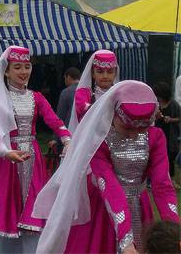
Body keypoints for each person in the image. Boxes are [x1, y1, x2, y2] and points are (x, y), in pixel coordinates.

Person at [34, 81, 180, 254]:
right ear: (114, 113)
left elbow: (162, 184)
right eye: (127, 128)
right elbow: (109, 185)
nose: (134, 135)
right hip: (104, 209)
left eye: (142, 129)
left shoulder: (156, 137)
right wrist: (126, 241)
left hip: (139, 206)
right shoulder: (98, 141)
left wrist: (174, 233)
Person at [0, 46, 71, 254]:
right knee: (9, 220)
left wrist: (66, 139)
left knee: (34, 220)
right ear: (7, 71)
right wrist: (5, 152)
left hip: (33, 160)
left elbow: (53, 119)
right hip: (8, 160)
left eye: (27, 66)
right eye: (17, 67)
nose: (23, 71)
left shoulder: (35, 97)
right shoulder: (0, 99)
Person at [69, 49, 119, 133]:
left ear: (115, 73)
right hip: (89, 142)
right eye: (100, 72)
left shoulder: (120, 94)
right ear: (93, 73)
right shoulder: (83, 94)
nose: (105, 76)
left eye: (110, 72)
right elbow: (86, 112)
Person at [153, 82, 181, 181]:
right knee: (157, 156)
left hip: (170, 135)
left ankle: (170, 178)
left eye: (159, 95)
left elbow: (179, 118)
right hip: (158, 134)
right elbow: (150, 119)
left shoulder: (174, 104)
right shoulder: (155, 103)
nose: (157, 97)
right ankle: (157, 177)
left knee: (169, 157)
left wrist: (171, 119)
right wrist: (156, 117)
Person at [50, 67, 80, 156]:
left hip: (68, 133)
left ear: (68, 77)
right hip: (84, 132)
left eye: (65, 78)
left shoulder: (66, 92)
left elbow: (60, 116)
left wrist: (55, 138)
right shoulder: (88, 91)